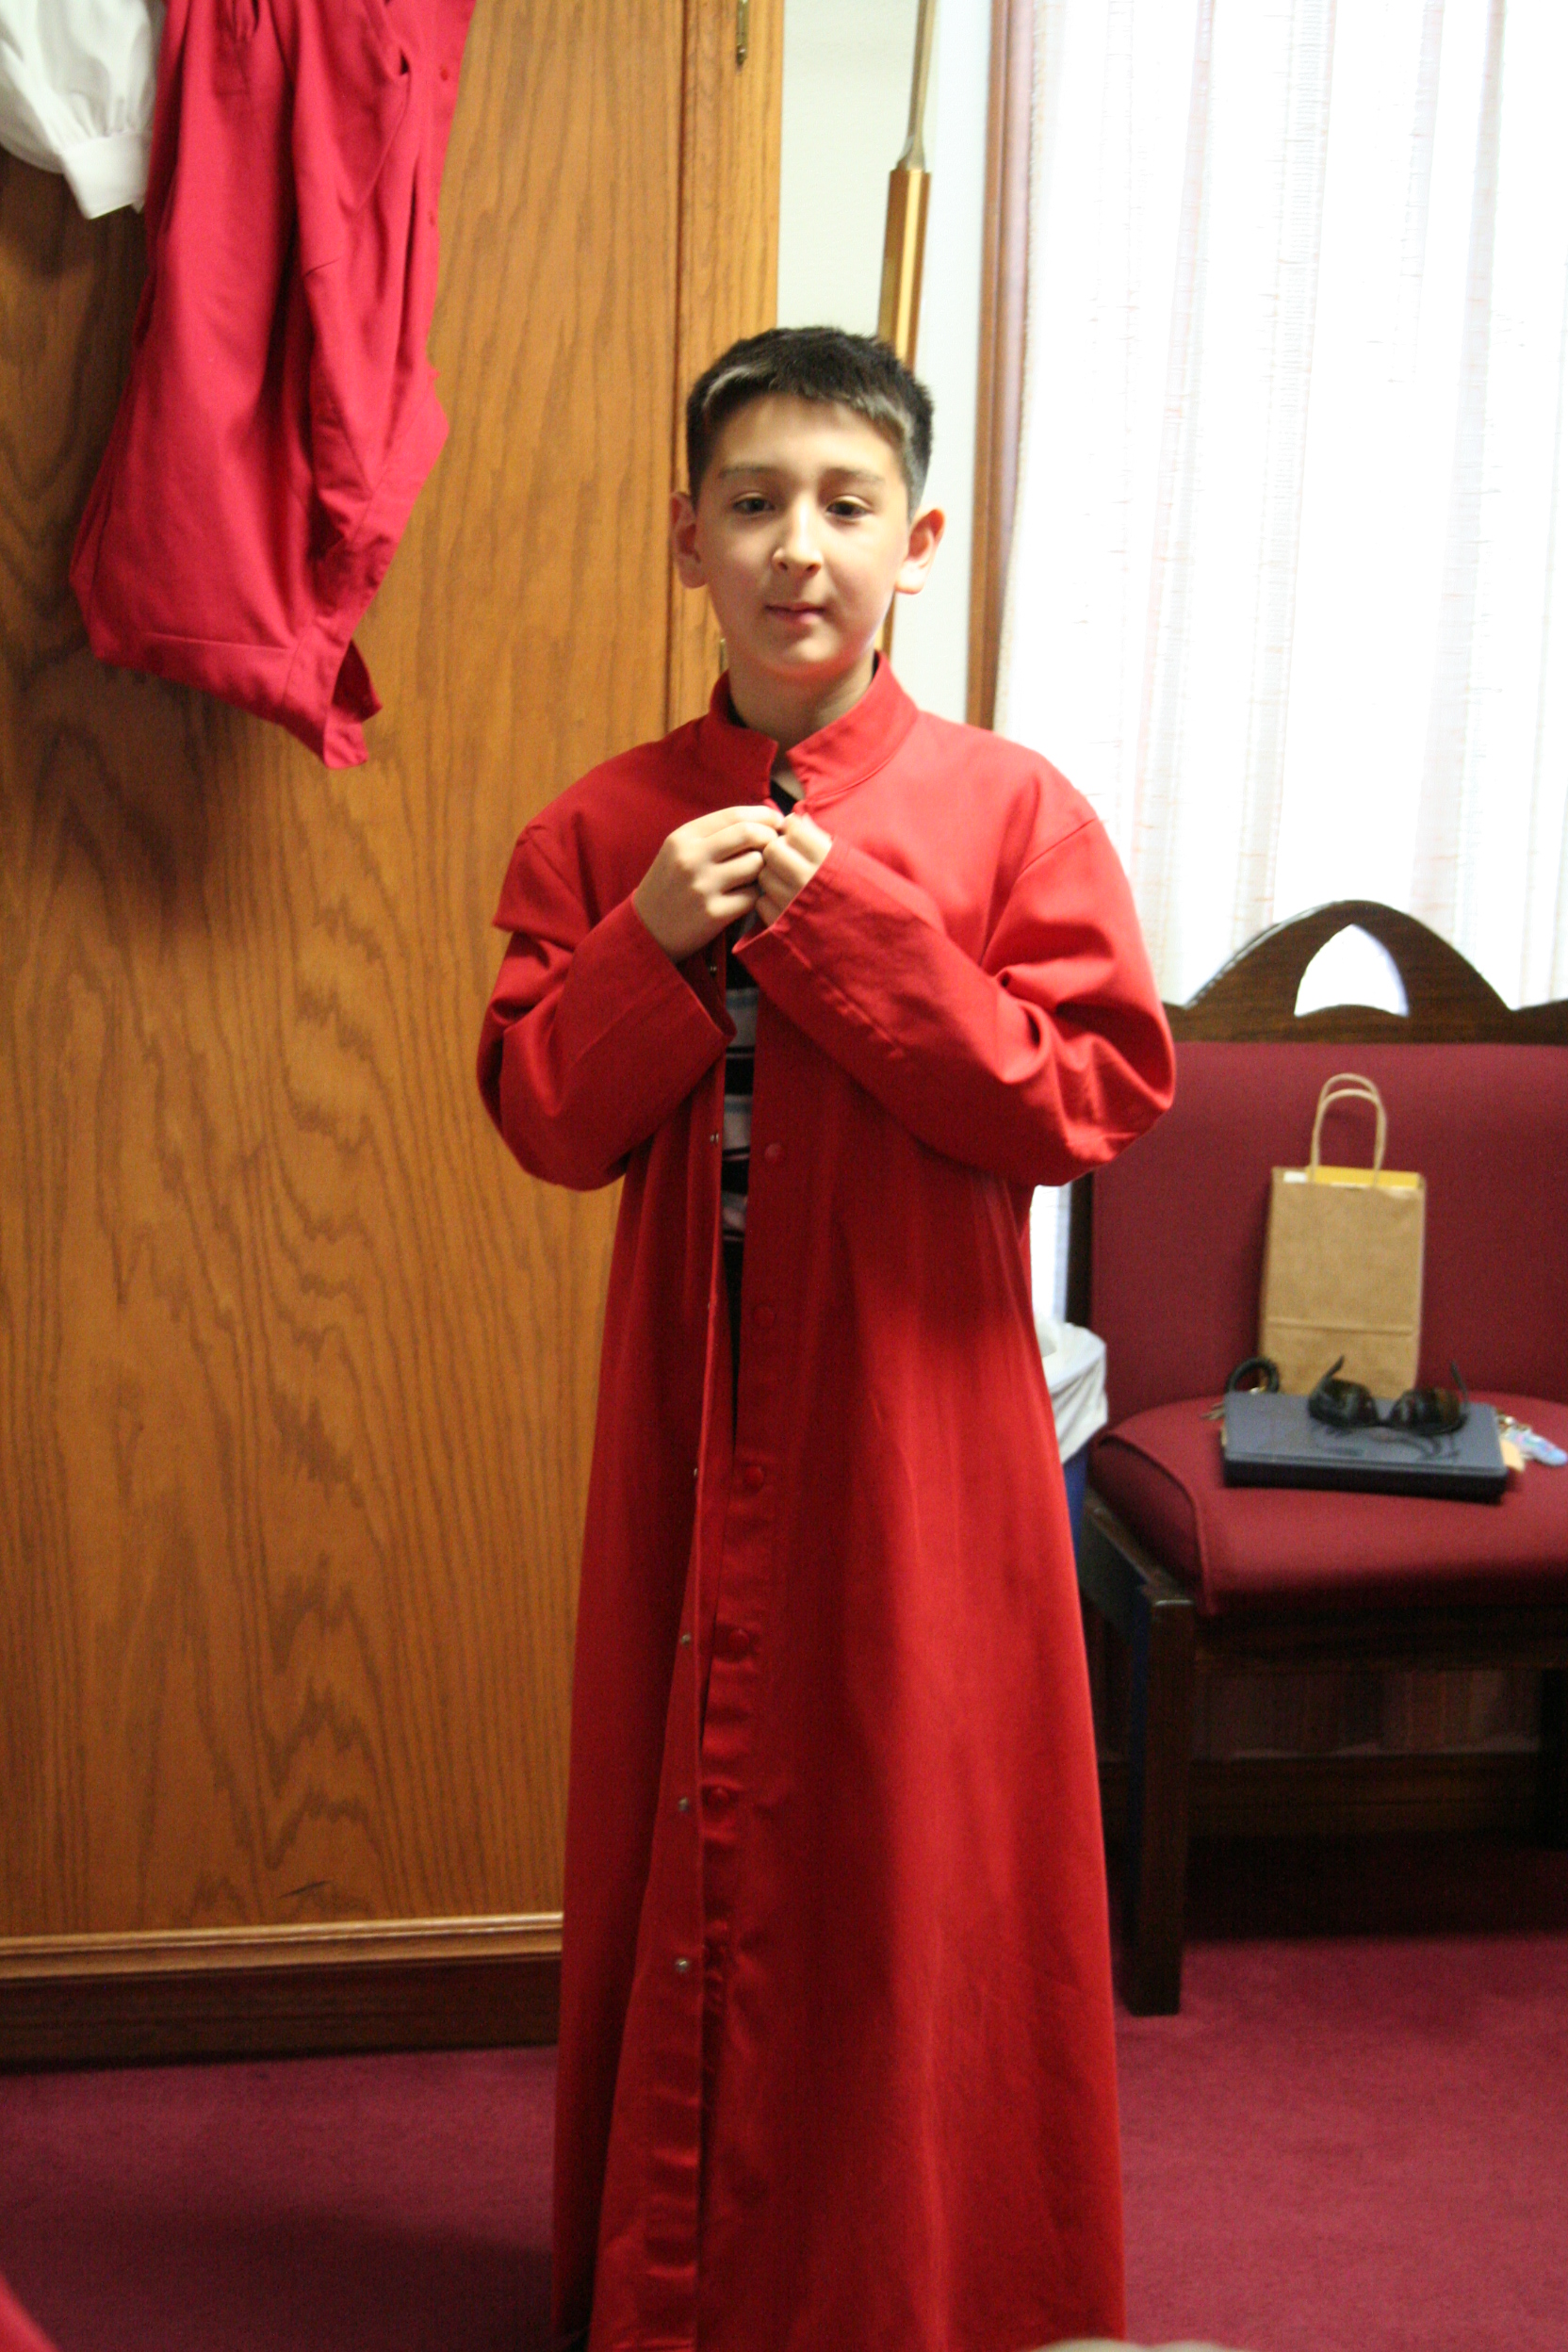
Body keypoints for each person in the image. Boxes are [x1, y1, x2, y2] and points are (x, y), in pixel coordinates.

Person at [478, 326, 1175, 2352]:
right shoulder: (605, 828)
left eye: (847, 504)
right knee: (686, 1818)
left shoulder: (1012, 815)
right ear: (684, 537)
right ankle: (688, 2281)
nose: (800, 546)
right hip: (688, 1420)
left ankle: (922, 2288)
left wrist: (857, 930)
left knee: (911, 1846)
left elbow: (1086, 1101)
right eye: (754, 502)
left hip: (915, 1418)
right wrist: (650, 941)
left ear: (916, 542)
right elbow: (548, 1121)